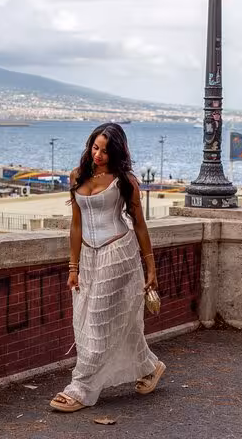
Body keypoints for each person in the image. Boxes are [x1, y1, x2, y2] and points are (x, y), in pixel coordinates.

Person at [49, 123, 166, 413]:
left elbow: (139, 224)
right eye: (95, 147)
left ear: (116, 152)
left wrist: (150, 268)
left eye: (105, 149)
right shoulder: (77, 177)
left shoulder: (125, 181)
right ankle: (150, 367)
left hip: (118, 252)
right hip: (88, 256)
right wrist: (72, 267)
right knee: (87, 320)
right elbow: (75, 225)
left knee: (98, 321)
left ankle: (80, 387)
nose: (98, 154)